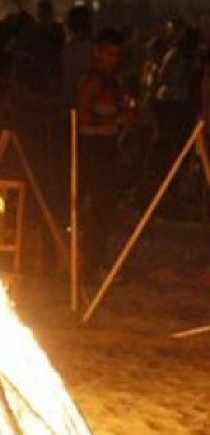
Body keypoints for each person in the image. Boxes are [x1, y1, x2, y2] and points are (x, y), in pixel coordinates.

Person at [74, 27, 135, 282]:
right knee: (98, 211)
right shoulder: (94, 80)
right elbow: (83, 115)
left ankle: (96, 263)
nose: (113, 60)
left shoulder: (114, 81)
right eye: (108, 54)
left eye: (116, 55)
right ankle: (90, 267)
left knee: (105, 210)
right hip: (94, 150)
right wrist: (114, 120)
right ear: (98, 53)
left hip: (108, 149)